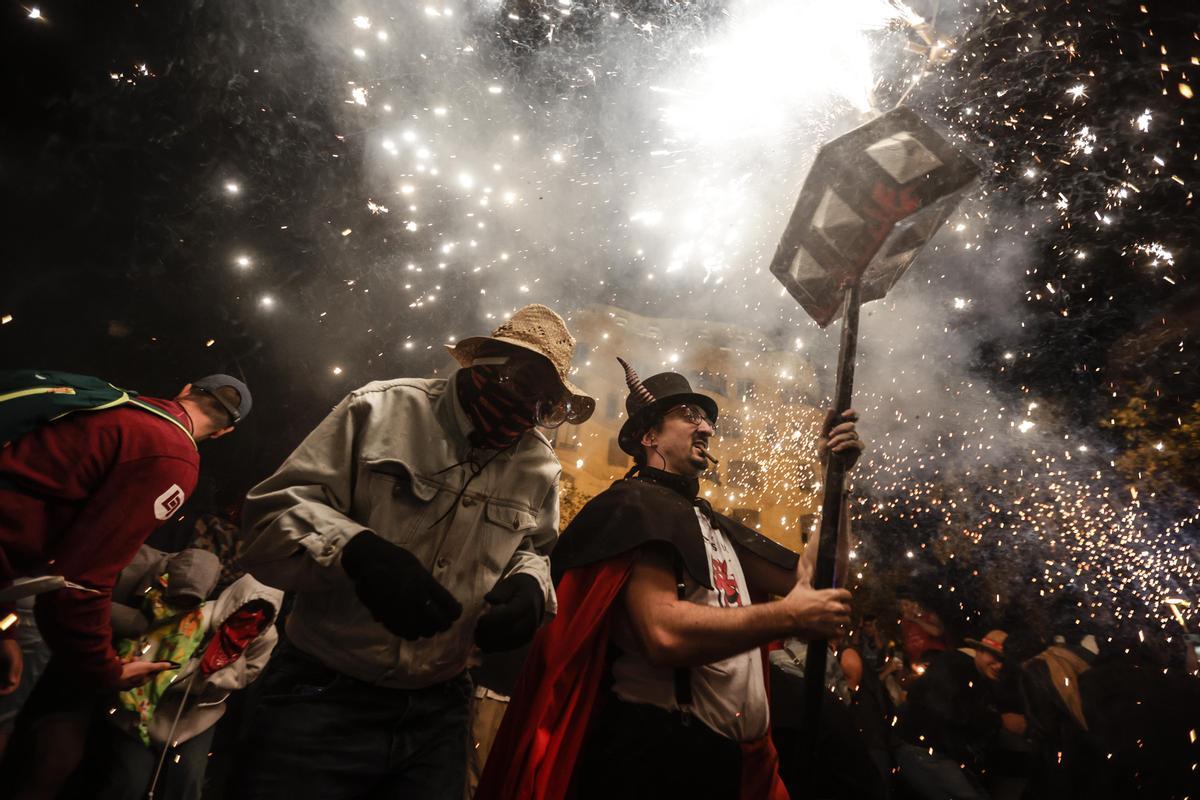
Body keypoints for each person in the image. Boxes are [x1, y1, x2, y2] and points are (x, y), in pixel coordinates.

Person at [236, 304, 594, 799]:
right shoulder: (378, 410)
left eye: (545, 401)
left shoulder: (539, 465)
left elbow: (532, 547)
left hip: (441, 710)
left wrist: (531, 583)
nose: (528, 411)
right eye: (521, 384)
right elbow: (268, 520)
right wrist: (357, 551)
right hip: (320, 694)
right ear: (483, 365)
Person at [476, 358, 864, 800]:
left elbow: (821, 580)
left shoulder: (711, 522)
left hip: (738, 765)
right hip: (661, 762)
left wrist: (836, 479)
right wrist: (790, 616)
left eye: (707, 419)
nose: (708, 429)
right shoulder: (633, 507)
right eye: (689, 416)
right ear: (649, 436)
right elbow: (664, 635)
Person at [0, 373, 251, 799]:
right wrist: (106, 668)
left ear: (186, 387)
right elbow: (79, 582)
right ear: (226, 430)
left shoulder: (115, 405)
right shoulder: (172, 456)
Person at [895, 630, 1027, 800]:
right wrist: (999, 721)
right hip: (923, 751)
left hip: (938, 752)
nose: (999, 665)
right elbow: (947, 708)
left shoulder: (974, 673)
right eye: (994, 657)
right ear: (979, 650)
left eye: (1003, 661)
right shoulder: (954, 665)